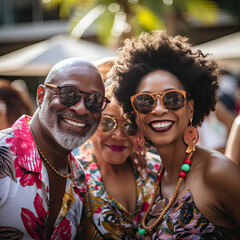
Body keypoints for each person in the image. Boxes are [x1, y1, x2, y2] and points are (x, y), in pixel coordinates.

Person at [111, 31, 240, 239]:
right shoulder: (159, 176)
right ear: (135, 115)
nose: (159, 109)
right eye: (145, 101)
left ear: (190, 108)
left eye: (172, 99)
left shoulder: (216, 172)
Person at [0, 57, 109, 239]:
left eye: (94, 101)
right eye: (68, 94)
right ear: (41, 96)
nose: (81, 109)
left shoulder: (79, 179)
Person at [75, 59, 161, 240]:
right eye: (107, 122)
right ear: (91, 120)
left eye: (130, 125)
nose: (119, 135)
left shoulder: (158, 170)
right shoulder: (74, 178)